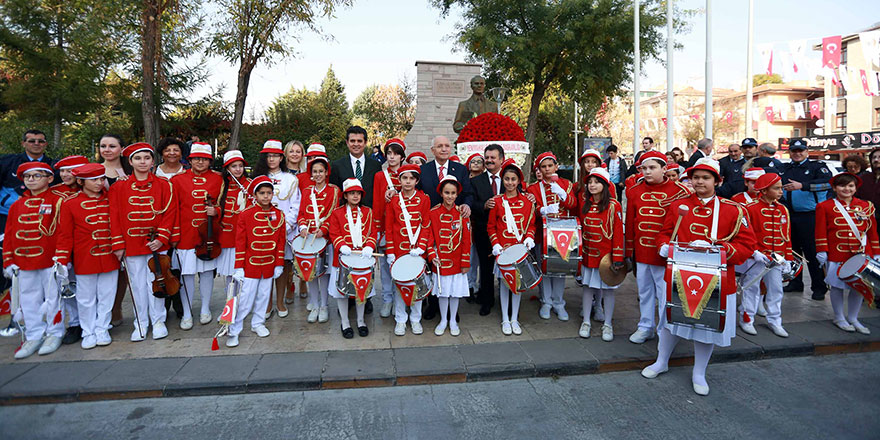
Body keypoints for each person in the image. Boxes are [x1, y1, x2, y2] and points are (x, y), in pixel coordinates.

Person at [644, 157, 756, 396]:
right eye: (696, 177)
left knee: (707, 326)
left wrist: (720, 250)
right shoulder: (678, 206)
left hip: (716, 277)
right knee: (670, 321)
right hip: (680, 274)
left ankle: (699, 372)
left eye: (706, 178)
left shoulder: (733, 210)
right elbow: (664, 234)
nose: (700, 182)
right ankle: (661, 361)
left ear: (718, 181)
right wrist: (664, 246)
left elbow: (747, 245)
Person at [109, 142, 177, 342]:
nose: (142, 162)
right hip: (131, 244)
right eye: (137, 158)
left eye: (146, 158)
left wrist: (162, 238)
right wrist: (118, 245)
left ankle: (158, 321)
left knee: (157, 283)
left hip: (156, 244)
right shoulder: (118, 187)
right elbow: (114, 217)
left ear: (153, 161)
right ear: (130, 162)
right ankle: (140, 322)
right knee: (137, 285)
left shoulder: (164, 185)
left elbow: (169, 213)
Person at [625, 151, 690, 344]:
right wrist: (628, 251)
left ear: (664, 168)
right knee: (644, 291)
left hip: (665, 254)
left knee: (664, 294)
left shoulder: (680, 191)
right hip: (642, 250)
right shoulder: (634, 191)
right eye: (644, 168)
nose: (647, 172)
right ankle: (645, 326)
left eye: (652, 168)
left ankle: (665, 329)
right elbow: (630, 222)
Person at [55, 163, 120, 349]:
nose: (99, 183)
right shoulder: (69, 203)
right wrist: (62, 259)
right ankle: (88, 330)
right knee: (85, 297)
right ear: (81, 181)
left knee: (107, 295)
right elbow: (65, 235)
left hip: (109, 255)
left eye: (102, 179)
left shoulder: (111, 200)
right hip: (85, 257)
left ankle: (102, 328)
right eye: (94, 180)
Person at [3, 162, 64, 358]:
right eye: (28, 176)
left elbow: (63, 232)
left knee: (53, 297)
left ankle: (55, 332)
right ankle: (33, 334)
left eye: (37, 176)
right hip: (23, 261)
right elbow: (9, 234)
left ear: (49, 179)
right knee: (28, 299)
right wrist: (8, 260)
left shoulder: (58, 201)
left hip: (49, 259)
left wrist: (61, 257)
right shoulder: (16, 205)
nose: (31, 180)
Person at [815, 172, 879, 334]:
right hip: (837, 253)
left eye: (850, 186)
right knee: (836, 287)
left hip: (861, 254)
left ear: (856, 188)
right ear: (835, 188)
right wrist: (822, 250)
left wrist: (877, 251)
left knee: (859, 287)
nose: (847, 189)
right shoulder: (825, 206)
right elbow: (820, 231)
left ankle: (853, 318)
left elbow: (872, 231)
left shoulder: (866, 206)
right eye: (842, 185)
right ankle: (839, 317)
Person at [227, 176, 286, 347]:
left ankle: (258, 323)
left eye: (269, 193)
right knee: (245, 299)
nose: (266, 196)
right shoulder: (246, 215)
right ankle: (234, 329)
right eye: (262, 193)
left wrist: (279, 264)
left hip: (269, 264)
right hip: (250, 265)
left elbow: (280, 242)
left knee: (263, 297)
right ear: (255, 195)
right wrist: (238, 267)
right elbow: (240, 242)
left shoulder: (279, 214)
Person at [419, 135, 473, 320]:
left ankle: (453, 312)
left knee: (453, 272)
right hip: (432, 223)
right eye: (439, 146)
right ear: (432, 150)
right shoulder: (423, 170)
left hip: (454, 224)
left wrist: (467, 205)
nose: (444, 149)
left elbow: (468, 192)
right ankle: (433, 306)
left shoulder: (460, 169)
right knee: (434, 266)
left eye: (447, 146)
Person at [329, 126, 382, 314]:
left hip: (367, 221)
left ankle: (365, 296)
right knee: (349, 261)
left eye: (360, 141)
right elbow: (335, 194)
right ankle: (347, 296)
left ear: (365, 142)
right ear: (347, 142)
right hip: (345, 222)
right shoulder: (337, 165)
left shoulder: (375, 165)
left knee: (365, 261)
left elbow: (377, 193)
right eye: (353, 141)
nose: (356, 144)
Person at [170, 142, 222, 329]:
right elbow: (172, 210)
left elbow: (222, 204)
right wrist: (174, 235)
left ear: (210, 161)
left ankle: (205, 308)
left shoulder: (218, 179)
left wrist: (216, 210)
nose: (200, 162)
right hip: (186, 234)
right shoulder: (177, 180)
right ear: (190, 160)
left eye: (205, 159)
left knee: (207, 272)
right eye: (197, 158)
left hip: (208, 234)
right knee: (187, 275)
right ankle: (186, 311)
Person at [738, 173, 792, 338]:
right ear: (764, 190)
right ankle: (746, 319)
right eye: (776, 188)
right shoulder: (750, 208)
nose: (780, 191)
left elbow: (786, 235)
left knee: (776, 289)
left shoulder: (782, 209)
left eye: (781, 188)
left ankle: (775, 320)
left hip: (776, 259)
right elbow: (746, 234)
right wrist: (754, 252)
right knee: (751, 288)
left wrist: (787, 257)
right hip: (757, 258)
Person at [779, 139, 832, 300]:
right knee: (793, 251)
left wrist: (803, 185)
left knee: (812, 253)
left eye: (800, 150)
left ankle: (819, 287)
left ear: (806, 151)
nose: (797, 153)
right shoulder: (784, 168)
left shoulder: (817, 167)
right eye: (794, 151)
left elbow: (828, 184)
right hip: (789, 215)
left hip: (810, 215)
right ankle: (795, 282)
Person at [488, 159, 536, 335]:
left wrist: (530, 238)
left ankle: (515, 318)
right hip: (503, 252)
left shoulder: (527, 202)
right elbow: (491, 226)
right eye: (507, 179)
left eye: (513, 179)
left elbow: (531, 225)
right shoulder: (497, 201)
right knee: (503, 285)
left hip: (520, 251)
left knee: (518, 286)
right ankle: (505, 319)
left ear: (519, 181)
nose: (510, 182)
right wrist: (496, 244)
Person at [254, 139, 300, 318]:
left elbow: (295, 206)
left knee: (283, 265)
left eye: (275, 156)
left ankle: (280, 302)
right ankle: (266, 303)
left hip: (284, 230)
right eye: (268, 156)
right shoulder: (257, 179)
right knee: (264, 266)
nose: (271, 159)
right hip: (261, 231)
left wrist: (285, 226)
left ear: (281, 158)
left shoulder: (291, 179)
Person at [576, 168, 623, 341]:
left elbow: (618, 233)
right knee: (588, 288)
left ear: (605, 185)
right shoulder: (585, 204)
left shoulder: (613, 206)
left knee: (608, 291)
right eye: (589, 182)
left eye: (596, 182)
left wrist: (617, 259)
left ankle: (608, 324)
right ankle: (586, 322)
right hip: (589, 255)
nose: (592, 185)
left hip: (606, 258)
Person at [528, 152, 575, 321]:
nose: (547, 169)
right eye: (543, 166)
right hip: (544, 234)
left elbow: (573, 204)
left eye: (550, 166)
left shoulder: (566, 184)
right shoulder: (533, 188)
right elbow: (530, 211)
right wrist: (541, 209)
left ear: (556, 166)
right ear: (539, 169)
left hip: (564, 233)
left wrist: (562, 194)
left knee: (560, 269)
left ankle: (559, 303)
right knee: (545, 269)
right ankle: (546, 302)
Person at [327, 178, 377, 339]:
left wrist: (369, 246)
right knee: (342, 293)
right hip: (343, 259)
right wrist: (341, 246)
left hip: (362, 258)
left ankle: (361, 321)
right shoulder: (337, 213)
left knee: (360, 290)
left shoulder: (368, 212)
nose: (355, 196)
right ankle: (345, 322)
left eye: (358, 193)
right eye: (351, 193)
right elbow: (334, 233)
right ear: (345, 195)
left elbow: (373, 232)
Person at [386, 164, 431, 335]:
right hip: (399, 250)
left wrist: (421, 247)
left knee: (417, 285)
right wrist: (390, 251)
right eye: (404, 178)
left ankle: (415, 319)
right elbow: (389, 227)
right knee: (400, 286)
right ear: (399, 180)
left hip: (417, 251)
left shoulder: (424, 199)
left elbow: (426, 225)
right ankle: (400, 319)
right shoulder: (394, 201)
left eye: (411, 178)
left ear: (417, 180)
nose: (408, 181)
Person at [50, 155, 89, 346]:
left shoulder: (92, 189)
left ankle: (92, 321)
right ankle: (75, 323)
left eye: (69, 170)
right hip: (61, 247)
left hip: (86, 246)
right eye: (62, 171)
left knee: (88, 288)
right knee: (67, 287)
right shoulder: (54, 193)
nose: (65, 175)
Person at [296, 155, 340, 324]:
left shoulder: (334, 191)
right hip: (308, 238)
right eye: (315, 172)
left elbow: (334, 214)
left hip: (324, 239)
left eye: (321, 171)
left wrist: (324, 229)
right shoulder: (307, 191)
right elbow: (301, 213)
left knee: (322, 274)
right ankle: (314, 304)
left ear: (326, 172)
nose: (318, 174)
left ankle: (324, 306)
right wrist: (303, 228)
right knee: (310, 274)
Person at [427, 175, 471, 336]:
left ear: (457, 194)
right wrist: (432, 255)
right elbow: (429, 237)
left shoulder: (462, 213)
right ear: (441, 193)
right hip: (440, 261)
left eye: (453, 193)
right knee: (443, 292)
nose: (450, 196)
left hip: (457, 260)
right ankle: (443, 319)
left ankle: (453, 319)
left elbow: (467, 239)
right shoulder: (433, 213)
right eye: (447, 192)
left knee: (455, 293)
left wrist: (465, 261)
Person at [97, 134, 130, 327]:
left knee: (122, 271)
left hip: (125, 225)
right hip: (100, 225)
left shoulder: (130, 170)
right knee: (103, 270)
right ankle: (101, 311)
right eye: (103, 146)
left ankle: (116, 307)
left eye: (112, 146)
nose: (107, 150)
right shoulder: (94, 171)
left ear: (121, 149)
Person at [470, 144, 505, 316]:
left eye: (493, 157)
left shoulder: (510, 178)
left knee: (507, 267)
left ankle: (507, 300)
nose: (489, 160)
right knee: (485, 268)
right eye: (487, 157)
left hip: (506, 234)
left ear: (501, 159)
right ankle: (487, 300)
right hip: (483, 232)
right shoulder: (475, 181)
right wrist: (483, 205)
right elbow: (470, 203)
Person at [372, 139, 405, 318]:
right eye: (389, 153)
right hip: (385, 227)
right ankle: (387, 299)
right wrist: (377, 229)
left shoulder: (409, 174)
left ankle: (401, 298)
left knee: (401, 265)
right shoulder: (380, 176)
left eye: (396, 153)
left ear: (402, 156)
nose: (392, 157)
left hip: (404, 229)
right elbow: (377, 203)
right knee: (385, 267)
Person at [0, 130, 57, 233]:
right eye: (32, 141)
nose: (36, 144)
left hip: (42, 218)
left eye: (40, 141)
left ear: (45, 144)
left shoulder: (55, 166)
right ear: (23, 143)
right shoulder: (7, 162)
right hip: (6, 216)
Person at [217, 150, 252, 301]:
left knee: (244, 271)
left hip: (245, 236)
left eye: (240, 166)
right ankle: (230, 303)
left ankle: (243, 302)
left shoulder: (250, 185)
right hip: (227, 237)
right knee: (230, 275)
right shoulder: (222, 185)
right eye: (234, 166)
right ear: (227, 169)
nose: (238, 169)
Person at [465, 153, 485, 296]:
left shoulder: (485, 182)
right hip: (466, 224)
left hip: (480, 223)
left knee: (480, 257)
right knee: (468, 257)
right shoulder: (465, 181)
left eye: (479, 161)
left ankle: (478, 285)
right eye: (473, 161)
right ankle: (469, 285)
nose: (476, 164)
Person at [855, 148, 880, 237]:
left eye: (879, 157)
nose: (876, 160)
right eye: (874, 157)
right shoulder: (864, 178)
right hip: (866, 220)